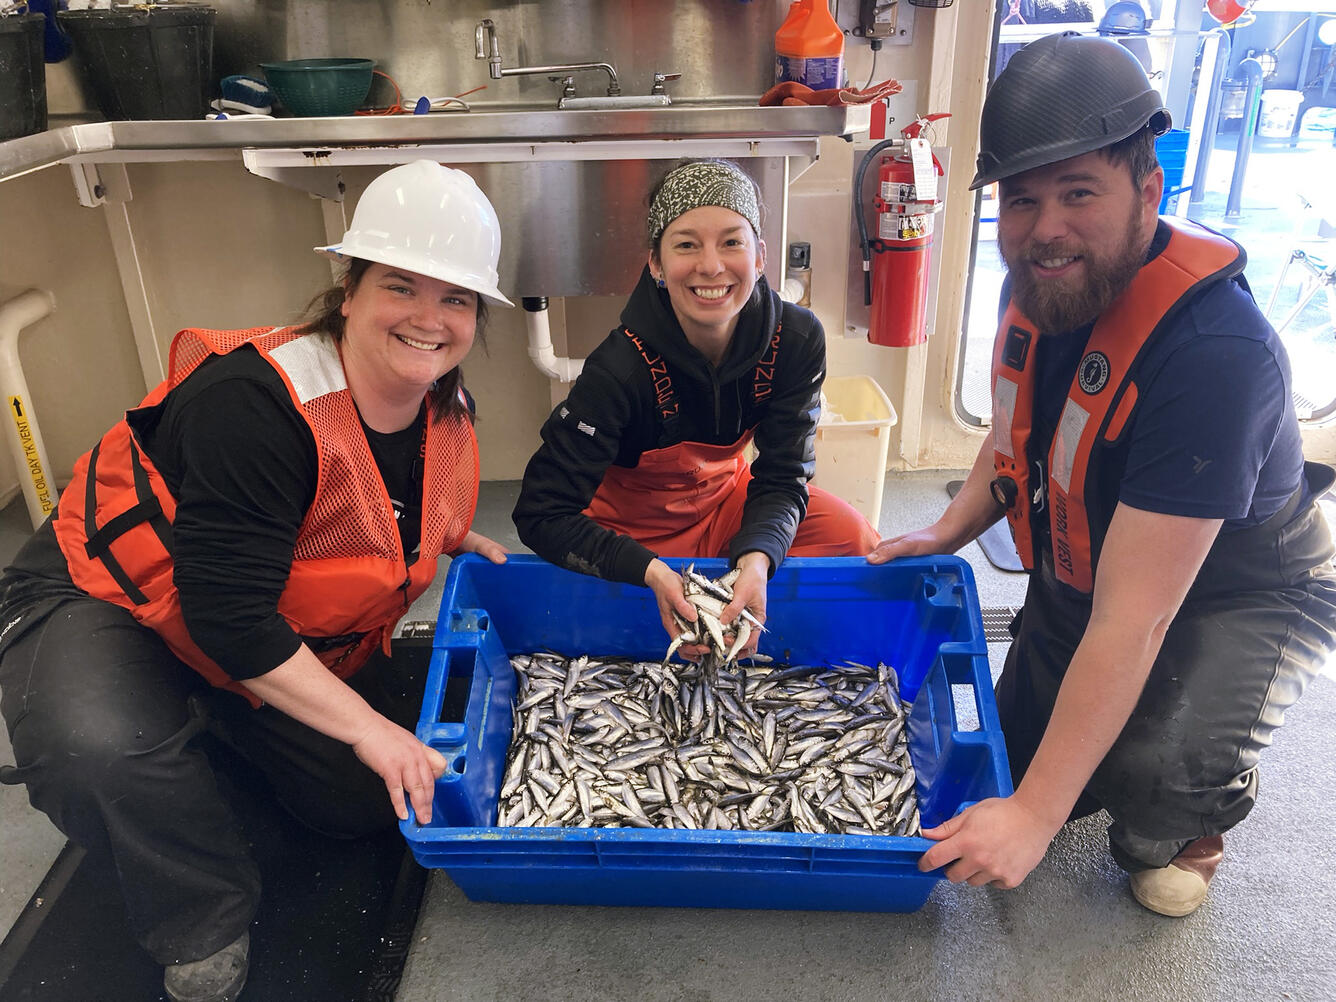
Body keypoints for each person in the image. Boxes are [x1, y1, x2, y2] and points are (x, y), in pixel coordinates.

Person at [0, 159, 513, 1002]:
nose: (430, 318)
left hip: (235, 621)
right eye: (402, 285)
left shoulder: (436, 402)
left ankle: (200, 720)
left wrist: (447, 537)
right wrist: (368, 728)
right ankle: (199, 911)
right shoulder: (255, 405)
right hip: (107, 598)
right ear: (348, 291)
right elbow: (232, 618)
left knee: (358, 803)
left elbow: (371, 501)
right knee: (99, 746)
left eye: (456, 298)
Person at [870, 33, 1336, 916]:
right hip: (1091, 568)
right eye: (1023, 199)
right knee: (995, 762)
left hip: (1233, 592)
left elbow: (1139, 614)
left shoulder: (1215, 355)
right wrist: (944, 531)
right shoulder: (1045, 282)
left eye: (1079, 192)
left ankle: (1199, 812)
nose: (1046, 228)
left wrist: (1037, 817)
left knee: (1138, 792)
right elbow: (1011, 436)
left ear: (1148, 190)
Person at [512, 158, 879, 656]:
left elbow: (783, 474)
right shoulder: (618, 368)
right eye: (686, 244)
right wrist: (649, 570)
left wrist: (757, 557)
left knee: (856, 542)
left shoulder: (795, 339)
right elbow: (540, 513)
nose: (711, 265)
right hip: (632, 536)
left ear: (760, 254)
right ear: (657, 265)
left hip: (727, 506)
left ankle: (776, 631)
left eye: (732, 241)